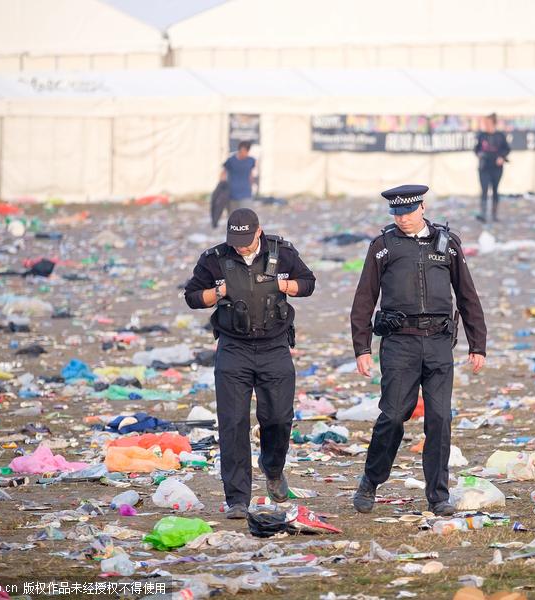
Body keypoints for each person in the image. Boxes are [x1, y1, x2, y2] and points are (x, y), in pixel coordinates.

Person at [350, 184, 487, 516]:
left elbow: (467, 294)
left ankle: (438, 496)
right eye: (396, 214)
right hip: (399, 344)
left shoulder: (447, 244)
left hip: (439, 342)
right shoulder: (383, 246)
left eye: (408, 212)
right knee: (395, 414)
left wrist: (477, 343)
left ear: (422, 208)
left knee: (440, 418)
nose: (403, 219)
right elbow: (364, 299)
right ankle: (370, 480)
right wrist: (362, 347)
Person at [183, 208, 316, 519]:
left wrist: (283, 286)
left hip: (274, 346)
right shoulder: (214, 258)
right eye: (235, 240)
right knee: (232, 424)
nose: (241, 246)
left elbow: (308, 283)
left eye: (246, 239)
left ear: (259, 232)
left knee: (279, 418)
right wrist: (219, 292)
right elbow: (190, 297)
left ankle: (272, 468)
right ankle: (237, 498)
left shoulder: (282, 252)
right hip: (233, 348)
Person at [474, 114, 510, 223]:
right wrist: (479, 154)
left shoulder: (500, 136)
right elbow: (476, 149)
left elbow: (507, 149)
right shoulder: (481, 135)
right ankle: (483, 214)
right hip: (484, 167)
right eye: (485, 123)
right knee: (484, 190)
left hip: (496, 168)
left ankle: (494, 215)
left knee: (495, 190)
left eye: (488, 123)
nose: (486, 125)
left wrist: (501, 157)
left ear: (494, 123)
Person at [221, 141, 258, 213]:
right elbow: (223, 173)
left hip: (246, 193)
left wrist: (252, 185)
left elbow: (251, 174)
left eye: (246, 151)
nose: (244, 153)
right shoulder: (231, 160)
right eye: (242, 151)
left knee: (246, 215)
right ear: (239, 150)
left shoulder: (251, 160)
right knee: (233, 217)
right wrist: (222, 187)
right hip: (232, 193)